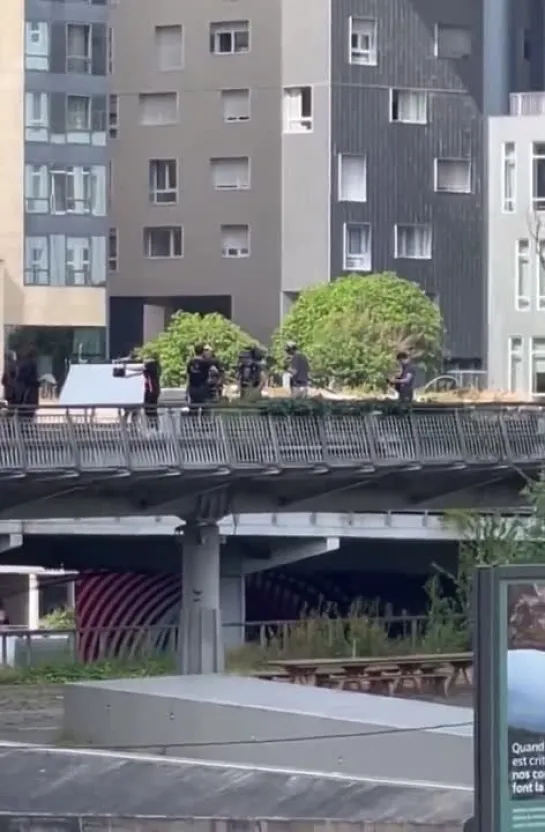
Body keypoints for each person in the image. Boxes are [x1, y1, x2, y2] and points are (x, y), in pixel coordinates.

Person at [15, 345, 40, 423]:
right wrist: (37, 383)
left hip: (22, 391)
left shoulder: (22, 363)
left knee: (23, 412)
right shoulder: (31, 364)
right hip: (29, 392)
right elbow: (29, 378)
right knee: (29, 412)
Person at [142, 353, 161, 428]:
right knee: (153, 410)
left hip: (150, 391)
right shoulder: (157, 366)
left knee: (149, 410)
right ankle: (155, 426)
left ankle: (151, 426)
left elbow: (143, 369)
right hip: (155, 390)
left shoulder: (151, 366)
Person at [2, 351, 17, 415]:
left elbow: (3, 381)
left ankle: (9, 420)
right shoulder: (14, 366)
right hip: (13, 390)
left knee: (10, 406)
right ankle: (10, 421)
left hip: (8, 390)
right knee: (12, 407)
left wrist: (6, 384)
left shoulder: (6, 367)